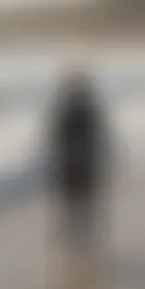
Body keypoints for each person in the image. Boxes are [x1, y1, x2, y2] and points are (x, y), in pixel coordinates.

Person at [48, 71, 108, 247]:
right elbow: (97, 137)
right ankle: (82, 232)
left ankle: (75, 232)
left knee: (72, 200)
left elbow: (56, 138)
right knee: (84, 200)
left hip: (71, 162)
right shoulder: (89, 108)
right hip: (85, 162)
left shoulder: (65, 109)